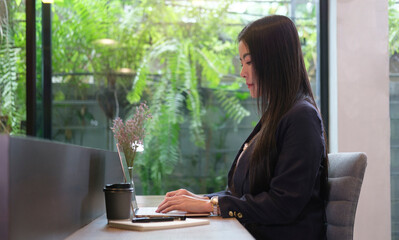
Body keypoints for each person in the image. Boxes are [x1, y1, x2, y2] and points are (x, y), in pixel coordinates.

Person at [156, 15, 328, 240]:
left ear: (273, 60)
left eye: (249, 61)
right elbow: (244, 193)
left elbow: (283, 204)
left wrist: (212, 206)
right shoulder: (278, 115)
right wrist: (203, 199)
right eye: (241, 63)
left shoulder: (301, 117)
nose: (242, 72)